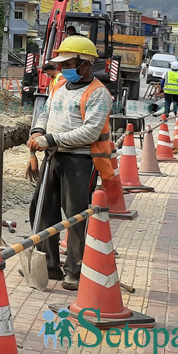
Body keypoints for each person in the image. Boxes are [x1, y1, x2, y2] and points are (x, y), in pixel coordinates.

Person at [27, 35, 112, 291]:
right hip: (52, 156)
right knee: (42, 211)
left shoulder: (98, 94)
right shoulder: (59, 84)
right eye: (61, 64)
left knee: (75, 217)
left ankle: (74, 270)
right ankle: (49, 265)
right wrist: (37, 132)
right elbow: (46, 111)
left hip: (79, 162)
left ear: (85, 65)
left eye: (68, 63)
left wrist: (50, 139)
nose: (62, 68)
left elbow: (90, 133)